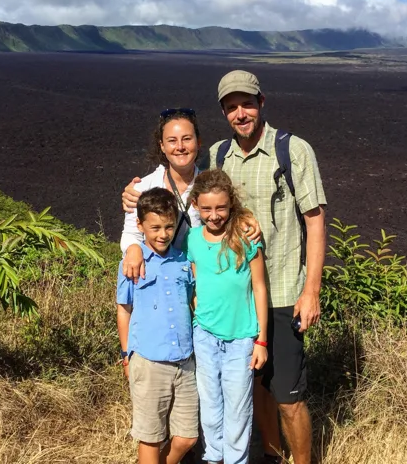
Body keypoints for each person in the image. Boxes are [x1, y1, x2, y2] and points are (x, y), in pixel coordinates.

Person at [122, 71, 327, 464]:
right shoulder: (218, 155)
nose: (240, 113)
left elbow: (315, 220)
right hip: (231, 303)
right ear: (223, 112)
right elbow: (179, 198)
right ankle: (270, 456)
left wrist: (311, 290)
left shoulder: (292, 150)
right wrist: (133, 204)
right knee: (255, 387)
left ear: (261, 102)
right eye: (232, 107)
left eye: (247, 103)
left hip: (283, 288)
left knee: (287, 395)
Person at [187, 169, 268, 464]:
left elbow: (259, 287)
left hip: (241, 339)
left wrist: (261, 340)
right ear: (195, 205)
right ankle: (214, 457)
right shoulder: (192, 239)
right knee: (209, 406)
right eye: (206, 208)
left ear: (231, 203)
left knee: (238, 408)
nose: (214, 215)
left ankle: (235, 459)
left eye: (220, 207)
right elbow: (196, 283)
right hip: (205, 336)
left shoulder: (246, 238)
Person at [117, 187, 198, 464]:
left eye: (168, 227)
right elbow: (124, 310)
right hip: (149, 360)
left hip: (184, 361)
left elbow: (193, 301)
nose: (163, 234)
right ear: (140, 226)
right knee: (151, 436)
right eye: (155, 228)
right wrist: (126, 355)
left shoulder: (183, 261)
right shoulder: (131, 262)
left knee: (187, 437)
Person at [120, 108, 261, 263]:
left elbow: (226, 214)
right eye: (172, 141)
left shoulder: (210, 188)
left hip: (201, 272)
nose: (180, 146)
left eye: (187, 139)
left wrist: (244, 219)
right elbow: (131, 234)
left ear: (198, 142)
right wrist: (132, 249)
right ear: (162, 146)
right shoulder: (143, 188)